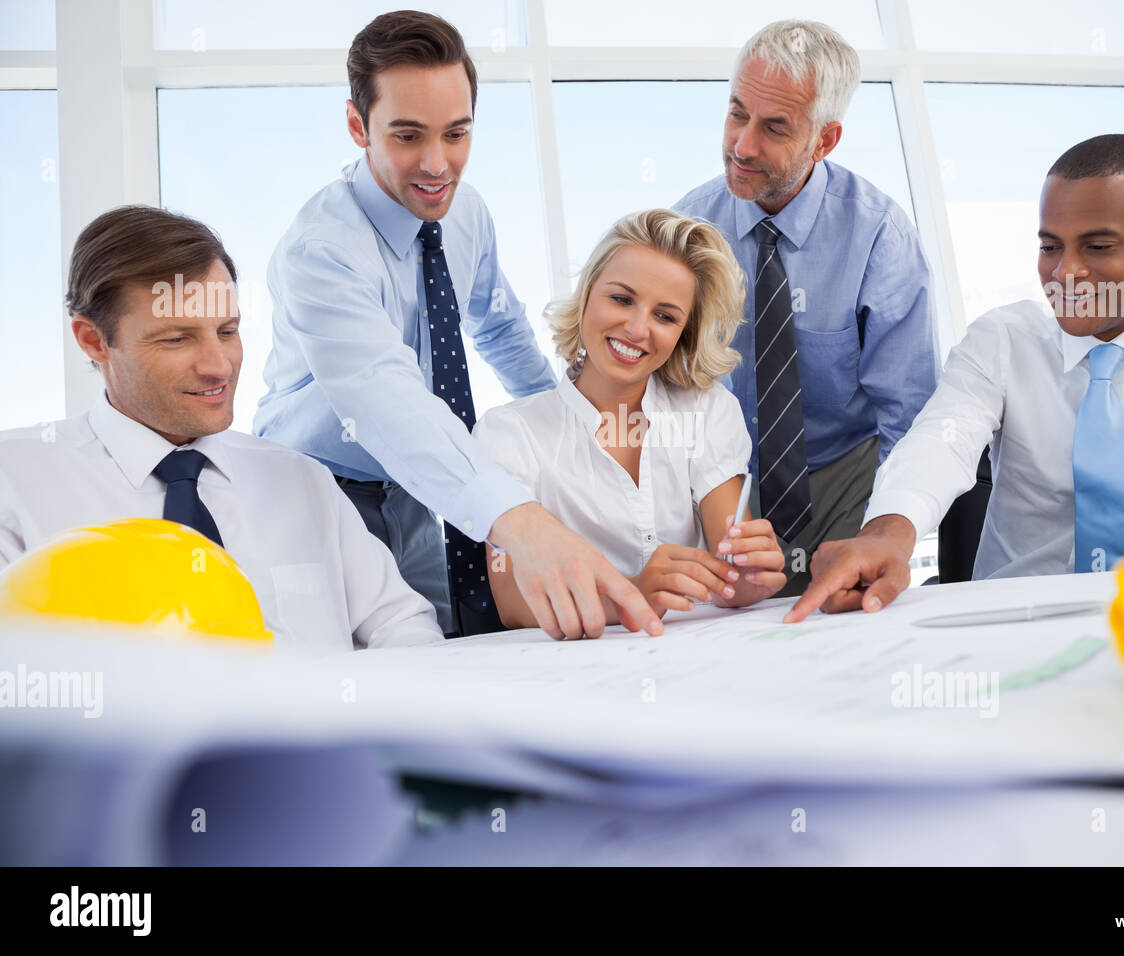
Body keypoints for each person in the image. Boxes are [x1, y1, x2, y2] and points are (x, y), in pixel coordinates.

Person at [254, 10, 659, 640]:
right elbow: (387, 400)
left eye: (457, 133)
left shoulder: (465, 213)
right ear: (358, 126)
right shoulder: (322, 250)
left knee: (439, 653)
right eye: (408, 135)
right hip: (313, 491)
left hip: (416, 488)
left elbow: (499, 329)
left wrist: (572, 427)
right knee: (332, 675)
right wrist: (522, 519)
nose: (438, 164)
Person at [786, 134, 1124, 623]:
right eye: (1050, 246)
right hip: (1016, 622)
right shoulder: (1003, 340)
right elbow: (939, 442)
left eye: (1097, 246)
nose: (1066, 272)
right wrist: (888, 532)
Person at [0, 205, 441, 651]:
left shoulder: (301, 479)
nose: (218, 366)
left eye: (227, 332)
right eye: (177, 338)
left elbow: (402, 624)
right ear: (94, 341)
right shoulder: (14, 482)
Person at [675, 19, 938, 596]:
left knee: (847, 626)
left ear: (824, 140)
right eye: (737, 112)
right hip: (724, 476)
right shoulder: (688, 227)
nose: (743, 145)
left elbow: (908, 414)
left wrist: (886, 532)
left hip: (843, 472)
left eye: (774, 127)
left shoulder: (879, 235)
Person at [474, 210, 787, 630]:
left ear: (683, 334)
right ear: (586, 296)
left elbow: (733, 572)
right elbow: (513, 604)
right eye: (621, 299)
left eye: (665, 316)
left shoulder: (707, 411)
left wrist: (749, 578)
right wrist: (633, 592)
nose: (638, 329)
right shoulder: (509, 434)